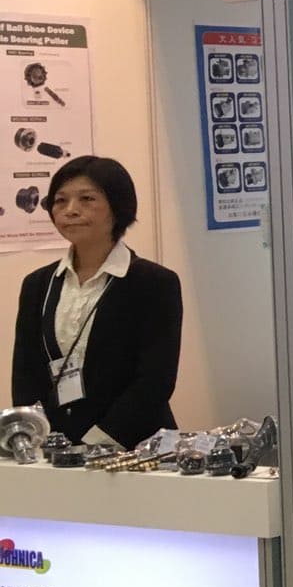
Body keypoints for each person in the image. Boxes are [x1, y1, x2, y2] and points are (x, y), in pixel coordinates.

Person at [10, 156, 181, 448]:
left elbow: (156, 379)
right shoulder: (37, 284)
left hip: (133, 447)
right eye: (60, 200)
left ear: (118, 207)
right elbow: (25, 374)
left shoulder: (153, 282)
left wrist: (97, 443)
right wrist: (37, 435)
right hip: (57, 449)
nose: (71, 210)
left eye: (87, 199)